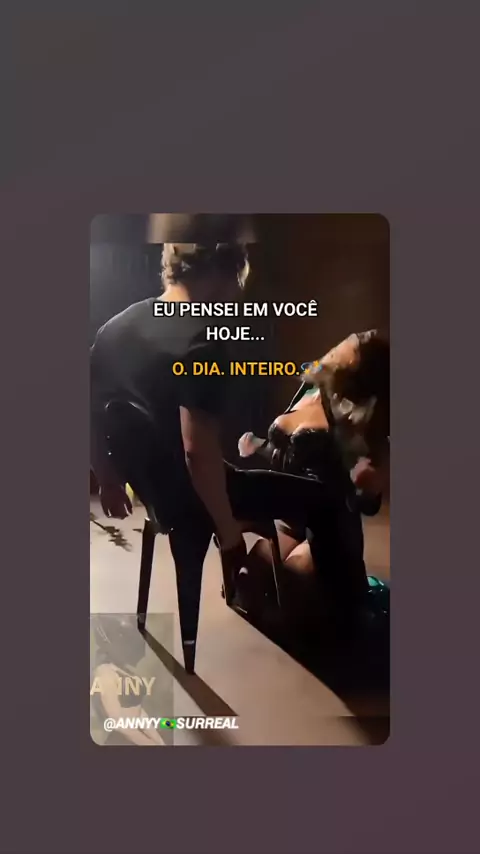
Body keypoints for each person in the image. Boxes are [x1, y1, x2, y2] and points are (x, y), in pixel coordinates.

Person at [90, 245, 373, 663]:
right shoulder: (202, 341)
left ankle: (287, 589)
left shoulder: (116, 327)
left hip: (152, 488)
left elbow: (90, 410)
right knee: (330, 500)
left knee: (276, 485)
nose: (238, 296)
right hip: (193, 493)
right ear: (223, 273)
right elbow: (198, 454)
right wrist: (228, 533)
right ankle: (340, 629)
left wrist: (109, 478)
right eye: (239, 283)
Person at [237, 331, 390, 628]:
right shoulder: (311, 386)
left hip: (327, 528)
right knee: (245, 586)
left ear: (359, 368)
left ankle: (346, 584)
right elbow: (289, 453)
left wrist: (368, 487)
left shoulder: (356, 415)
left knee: (300, 601)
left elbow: (367, 501)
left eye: (360, 343)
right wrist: (256, 444)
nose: (353, 337)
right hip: (289, 519)